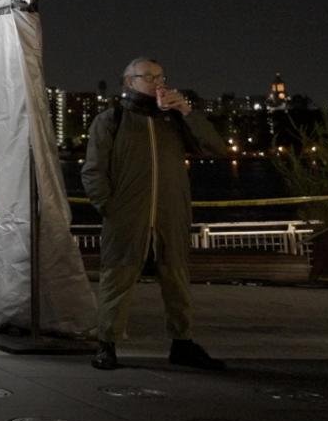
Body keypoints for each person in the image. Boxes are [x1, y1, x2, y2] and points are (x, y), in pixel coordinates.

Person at [83, 57, 226, 371]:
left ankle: (182, 343)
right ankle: (106, 343)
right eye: (148, 76)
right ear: (129, 81)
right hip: (126, 216)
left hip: (170, 213)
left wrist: (187, 112)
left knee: (176, 279)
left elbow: (217, 148)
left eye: (161, 76)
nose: (157, 82)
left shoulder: (174, 121)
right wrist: (110, 207)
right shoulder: (112, 119)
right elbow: (93, 171)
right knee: (117, 278)